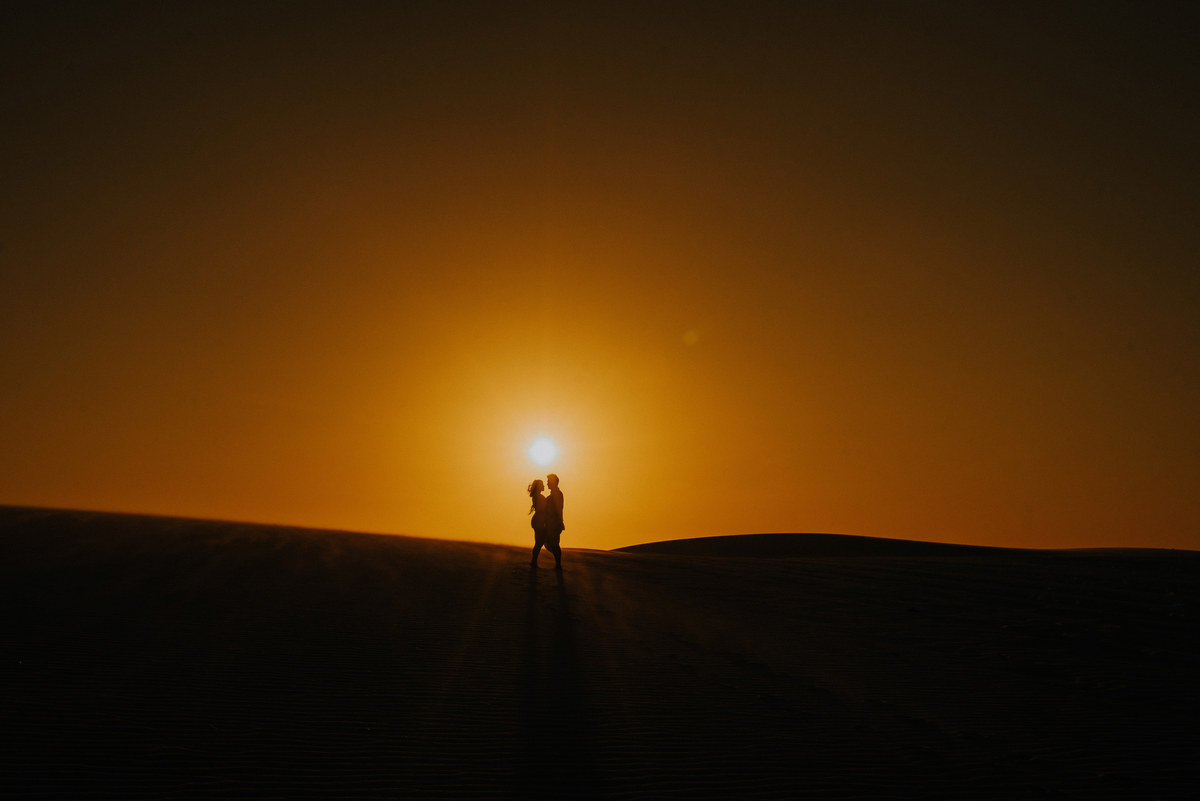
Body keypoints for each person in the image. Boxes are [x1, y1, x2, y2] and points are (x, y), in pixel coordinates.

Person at [528, 476, 562, 570]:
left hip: (541, 522)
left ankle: (534, 562)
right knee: (540, 542)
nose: (545, 485)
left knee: (541, 543)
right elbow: (543, 509)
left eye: (546, 482)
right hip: (540, 522)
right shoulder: (540, 497)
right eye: (543, 484)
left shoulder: (545, 496)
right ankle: (534, 562)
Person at [543, 473, 564, 570]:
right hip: (551, 523)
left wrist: (559, 522)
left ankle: (558, 565)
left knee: (554, 544)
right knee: (551, 543)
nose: (547, 483)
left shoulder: (557, 494)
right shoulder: (553, 495)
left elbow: (558, 509)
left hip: (554, 523)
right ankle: (558, 564)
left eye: (548, 481)